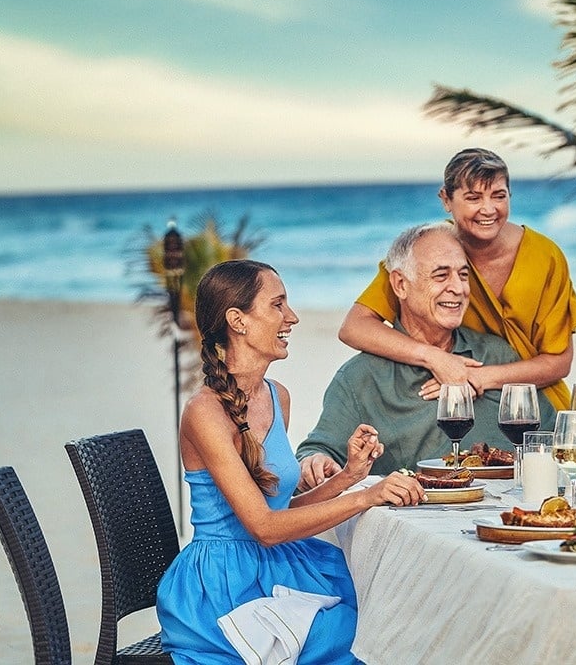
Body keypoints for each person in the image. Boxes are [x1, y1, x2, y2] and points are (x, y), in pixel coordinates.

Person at [156, 260, 425, 664]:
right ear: (238, 321)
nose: (292, 317)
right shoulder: (204, 413)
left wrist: (350, 476)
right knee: (358, 631)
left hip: (278, 562)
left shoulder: (277, 396)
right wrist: (365, 496)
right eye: (278, 305)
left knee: (386, 605)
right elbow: (264, 528)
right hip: (223, 584)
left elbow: (281, 512)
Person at [297, 223, 554, 485]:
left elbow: (551, 439)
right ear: (400, 285)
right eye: (441, 276)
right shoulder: (361, 377)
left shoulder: (497, 355)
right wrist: (315, 462)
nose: (458, 288)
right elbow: (318, 452)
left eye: (463, 275)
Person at [338, 147, 576, 410]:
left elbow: (559, 362)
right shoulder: (428, 250)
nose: (488, 209)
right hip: (454, 399)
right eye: (473, 198)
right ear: (446, 199)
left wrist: (477, 377)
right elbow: (355, 327)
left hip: (536, 402)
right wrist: (434, 358)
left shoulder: (545, 256)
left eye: (498, 196)